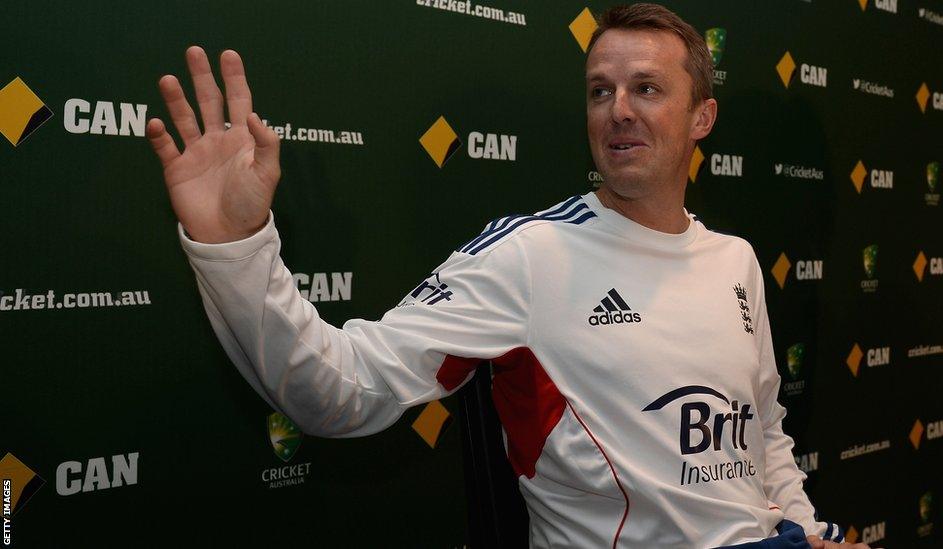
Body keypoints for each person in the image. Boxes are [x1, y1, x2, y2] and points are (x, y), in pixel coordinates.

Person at [147, 4, 873, 548]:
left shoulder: (736, 259)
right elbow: (338, 390)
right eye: (599, 90)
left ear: (702, 116)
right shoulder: (532, 256)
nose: (617, 110)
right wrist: (236, 244)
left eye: (646, 88)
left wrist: (811, 533)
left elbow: (766, 434)